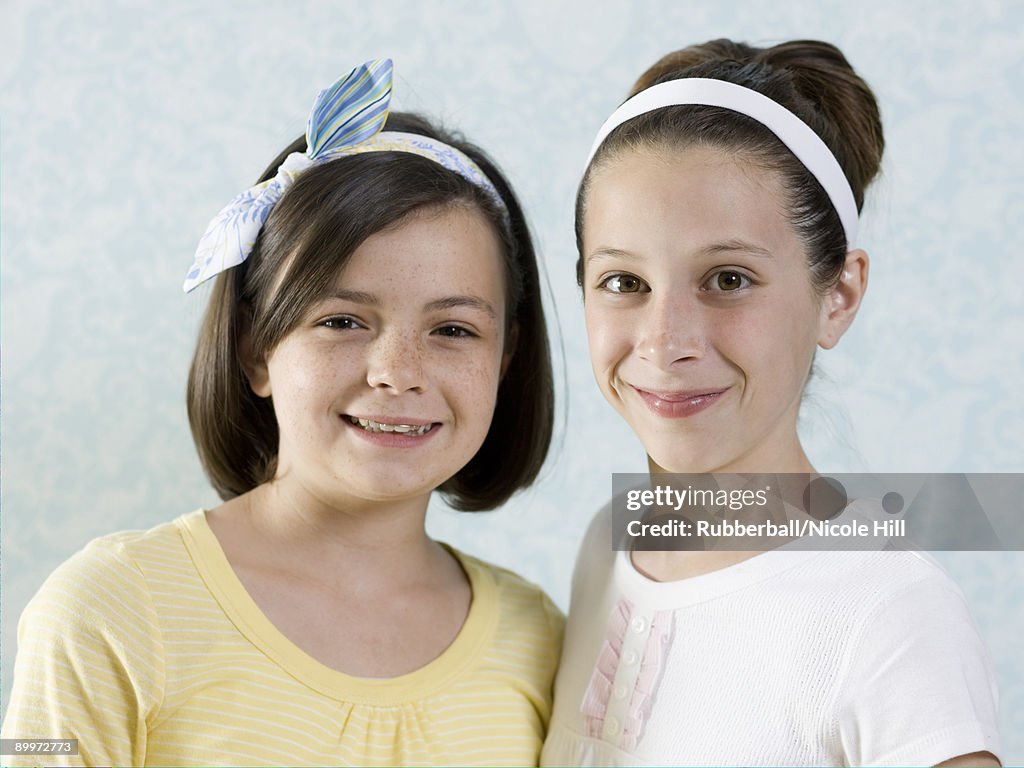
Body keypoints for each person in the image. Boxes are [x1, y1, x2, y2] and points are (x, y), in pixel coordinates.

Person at [2, 59, 562, 767]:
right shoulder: (104, 609)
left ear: (506, 360)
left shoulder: (539, 637)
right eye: (341, 321)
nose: (397, 372)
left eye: (453, 330)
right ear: (256, 347)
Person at [541, 39, 1001, 767]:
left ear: (838, 296)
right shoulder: (611, 546)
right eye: (624, 282)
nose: (665, 342)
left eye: (727, 279)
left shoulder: (891, 616)